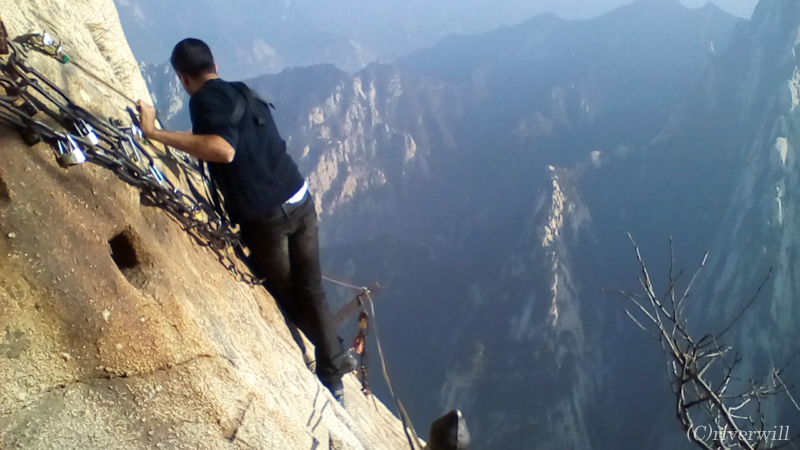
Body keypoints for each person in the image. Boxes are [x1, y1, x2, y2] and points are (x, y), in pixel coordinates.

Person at [137, 38, 351, 405]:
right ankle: (335, 357)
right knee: (311, 290)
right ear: (214, 65)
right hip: (300, 198)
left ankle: (333, 370)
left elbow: (223, 148)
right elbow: (228, 138)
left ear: (182, 78)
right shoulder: (240, 91)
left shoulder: (202, 100)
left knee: (288, 293)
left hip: (268, 218)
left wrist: (155, 134)